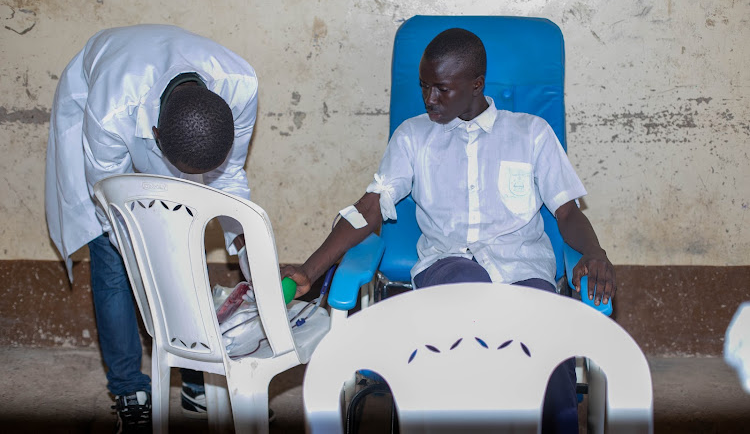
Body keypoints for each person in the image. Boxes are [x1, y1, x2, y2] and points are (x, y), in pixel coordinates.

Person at [283, 28, 616, 433]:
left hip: (523, 268)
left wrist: (594, 253)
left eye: (441, 89)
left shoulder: (530, 133)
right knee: (466, 305)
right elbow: (371, 207)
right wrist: (310, 270)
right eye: (424, 87)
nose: (429, 100)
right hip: (448, 264)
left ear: (476, 84)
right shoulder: (413, 137)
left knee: (547, 343)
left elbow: (567, 212)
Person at [45, 24, 258, 432]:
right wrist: (147, 251)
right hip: (93, 102)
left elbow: (230, 178)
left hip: (171, 115)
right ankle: (129, 390)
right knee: (112, 264)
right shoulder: (109, 112)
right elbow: (108, 202)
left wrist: (247, 246)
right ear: (156, 136)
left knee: (184, 244)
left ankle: (197, 378)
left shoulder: (240, 85)